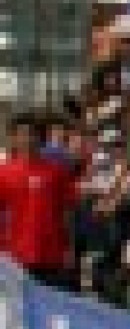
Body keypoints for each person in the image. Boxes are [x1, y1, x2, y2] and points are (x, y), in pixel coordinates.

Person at [0, 113, 80, 284]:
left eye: (33, 134)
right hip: (15, 256)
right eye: (22, 134)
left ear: (42, 139)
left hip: (51, 254)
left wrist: (70, 248)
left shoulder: (57, 173)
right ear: (14, 138)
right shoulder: (3, 173)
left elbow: (67, 213)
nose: (28, 139)